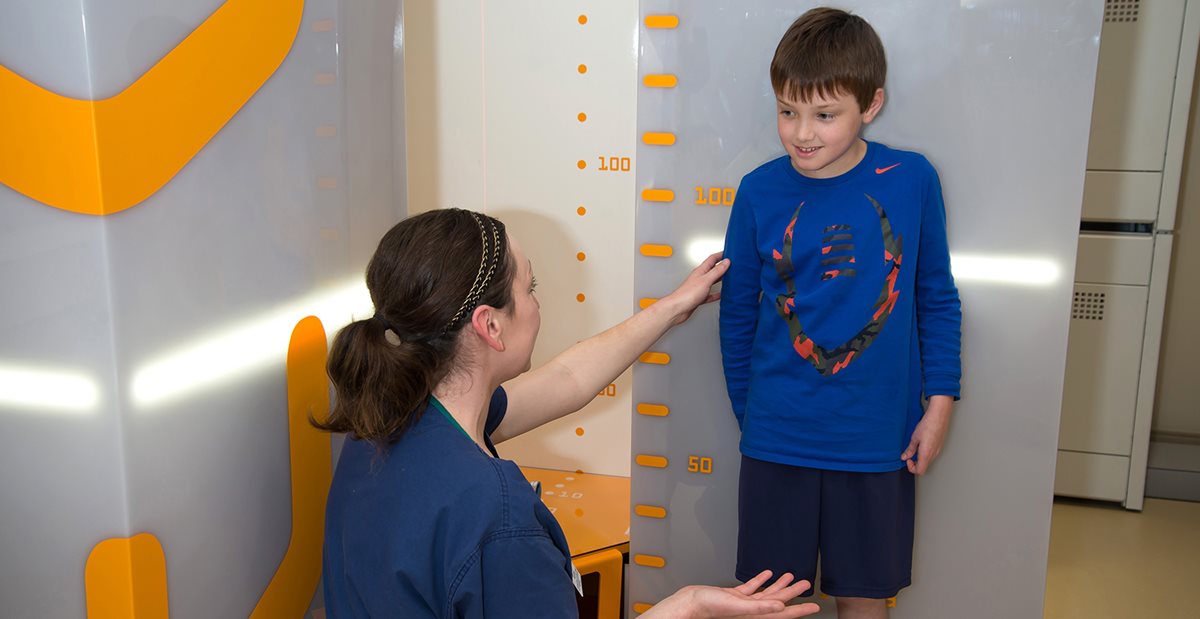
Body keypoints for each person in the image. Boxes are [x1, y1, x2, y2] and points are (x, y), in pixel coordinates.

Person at [317, 208, 820, 618]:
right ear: (490, 326)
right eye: (529, 290)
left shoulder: (388, 421)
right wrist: (687, 610)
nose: (536, 306)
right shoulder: (496, 518)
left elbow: (567, 381)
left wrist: (671, 307)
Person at [718, 8, 962, 619]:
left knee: (865, 598)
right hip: (778, 438)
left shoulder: (911, 179)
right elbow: (737, 318)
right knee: (772, 606)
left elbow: (935, 295)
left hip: (879, 439)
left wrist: (940, 403)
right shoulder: (757, 190)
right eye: (787, 111)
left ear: (870, 105)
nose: (802, 133)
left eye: (825, 115)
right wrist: (755, 415)